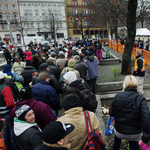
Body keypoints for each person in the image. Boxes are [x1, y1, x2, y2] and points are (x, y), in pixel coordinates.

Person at [109, 75, 150, 150]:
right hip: (135, 133)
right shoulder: (141, 99)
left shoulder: (118, 96)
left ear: (124, 84)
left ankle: (116, 147)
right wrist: (146, 136)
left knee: (117, 136)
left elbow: (111, 113)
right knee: (134, 142)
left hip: (119, 131)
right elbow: (146, 118)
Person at [0, 71, 18, 150]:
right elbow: (10, 103)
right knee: (12, 132)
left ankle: (7, 147)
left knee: (4, 132)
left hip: (1, 114)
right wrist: (14, 109)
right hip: (8, 113)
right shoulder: (5, 88)